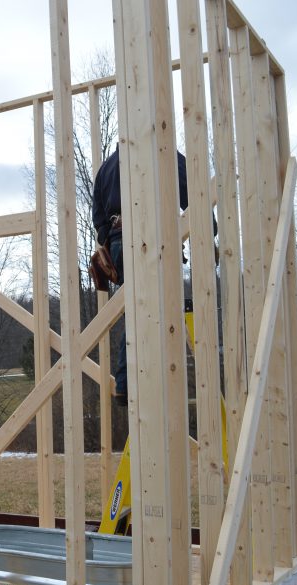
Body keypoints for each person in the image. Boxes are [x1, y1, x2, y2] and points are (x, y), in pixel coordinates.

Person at [91, 144, 188, 405]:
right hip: (152, 234)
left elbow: (98, 215)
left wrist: (108, 237)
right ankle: (131, 381)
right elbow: (192, 191)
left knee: (137, 309)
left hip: (120, 238)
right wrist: (207, 228)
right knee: (154, 309)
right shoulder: (161, 147)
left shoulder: (107, 166)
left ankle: (133, 381)